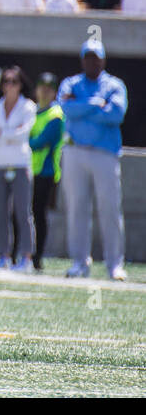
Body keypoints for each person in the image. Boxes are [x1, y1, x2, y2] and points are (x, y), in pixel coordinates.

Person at [58, 38, 127, 280]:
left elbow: (115, 114)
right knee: (77, 208)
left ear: (103, 60)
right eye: (87, 57)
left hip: (104, 153)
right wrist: (96, 104)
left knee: (109, 208)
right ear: (82, 60)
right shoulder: (71, 83)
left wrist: (82, 107)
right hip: (75, 152)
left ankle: (114, 264)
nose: (91, 62)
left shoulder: (115, 85)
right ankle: (79, 262)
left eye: (95, 58)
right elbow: (66, 107)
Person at [0, 66, 37, 272]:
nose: (9, 85)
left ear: (21, 84)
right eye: (6, 81)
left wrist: (2, 134)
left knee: (23, 212)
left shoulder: (28, 106)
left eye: (14, 81)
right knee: (1, 213)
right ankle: (3, 257)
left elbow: (23, 135)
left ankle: (26, 258)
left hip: (21, 163)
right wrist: (10, 133)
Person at [29, 72, 65, 271]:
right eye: (41, 86)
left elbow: (41, 142)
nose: (44, 91)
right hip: (26, 170)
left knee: (38, 213)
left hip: (45, 172)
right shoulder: (30, 111)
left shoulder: (55, 115)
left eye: (49, 88)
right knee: (22, 213)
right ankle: (23, 254)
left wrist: (19, 143)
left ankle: (37, 257)